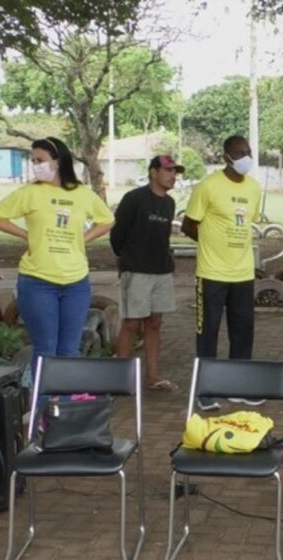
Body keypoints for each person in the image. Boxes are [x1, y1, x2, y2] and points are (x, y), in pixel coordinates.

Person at [0, 136, 114, 365]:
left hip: (76, 283)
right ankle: (42, 400)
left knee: (70, 350)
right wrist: (25, 235)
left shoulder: (82, 193)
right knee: (45, 350)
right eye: (33, 160)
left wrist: (83, 239)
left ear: (58, 161)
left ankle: (65, 399)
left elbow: (107, 220)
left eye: (41, 159)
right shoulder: (30, 192)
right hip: (38, 281)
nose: (36, 165)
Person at [182, 135, 263, 410]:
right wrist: (210, 243)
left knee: (243, 331)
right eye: (239, 153)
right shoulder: (208, 186)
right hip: (212, 272)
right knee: (209, 331)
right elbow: (189, 225)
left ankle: (238, 386)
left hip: (242, 272)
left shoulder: (254, 188)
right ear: (226, 156)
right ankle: (206, 389)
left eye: (248, 151)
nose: (245, 157)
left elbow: (247, 223)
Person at [110, 154, 179, 392]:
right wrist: (127, 258)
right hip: (137, 270)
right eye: (168, 170)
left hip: (162, 271)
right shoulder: (134, 198)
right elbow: (117, 234)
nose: (173, 176)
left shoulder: (170, 203)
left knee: (155, 323)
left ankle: (152, 376)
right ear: (153, 172)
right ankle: (120, 378)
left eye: (175, 172)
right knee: (131, 323)